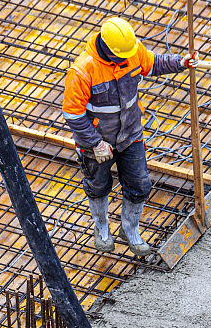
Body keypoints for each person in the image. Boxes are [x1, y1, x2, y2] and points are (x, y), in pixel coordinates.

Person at [62, 16, 198, 257]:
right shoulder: (83, 70)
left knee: (140, 184)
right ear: (108, 49)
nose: (127, 59)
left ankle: (130, 230)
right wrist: (94, 143)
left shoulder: (131, 52)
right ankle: (102, 228)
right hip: (97, 143)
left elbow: (153, 63)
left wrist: (181, 62)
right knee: (98, 186)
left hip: (130, 135)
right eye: (121, 56)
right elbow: (73, 115)